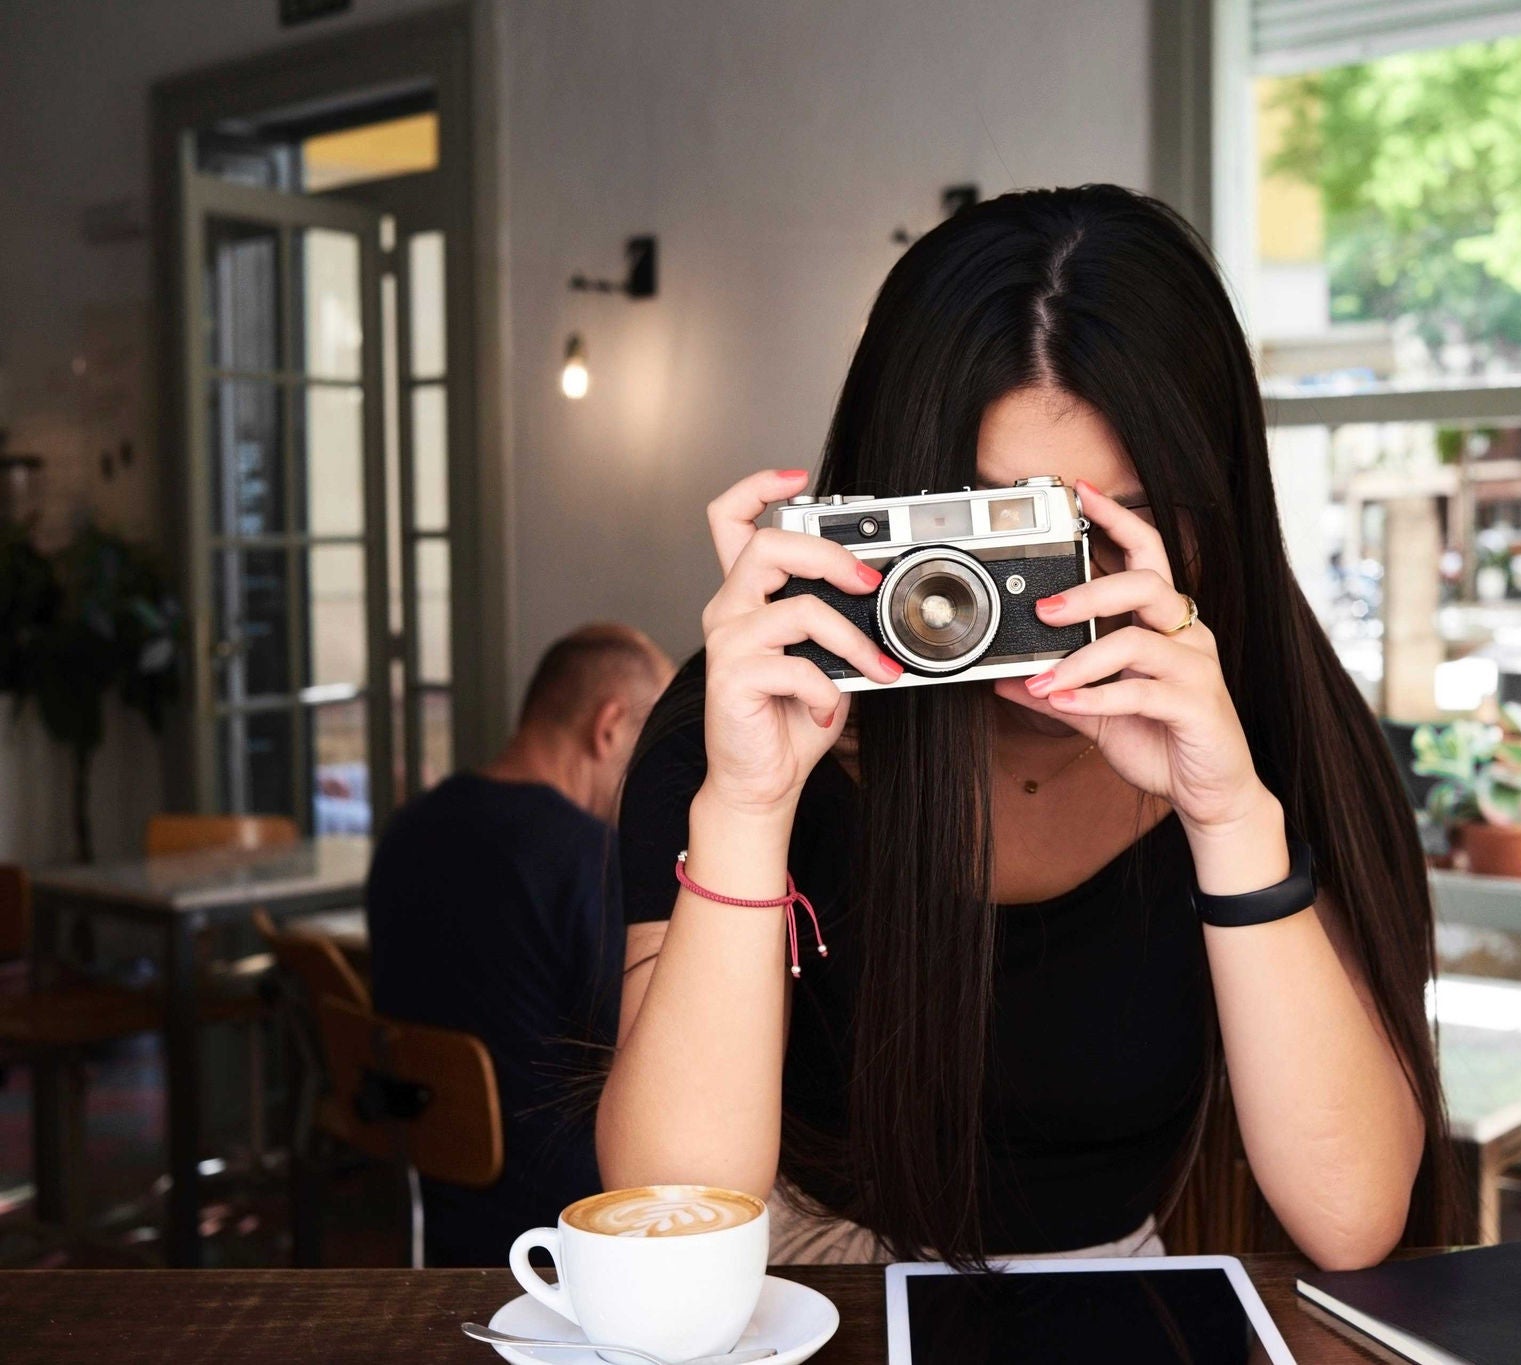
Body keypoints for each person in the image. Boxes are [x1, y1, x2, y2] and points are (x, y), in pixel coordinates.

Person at [601, 186, 1454, 1269]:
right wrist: (746, 809)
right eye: (993, 532)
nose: (1058, 596)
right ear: (889, 503)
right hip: (800, 1299)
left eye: (1123, 519)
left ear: (1218, 500)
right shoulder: (749, 717)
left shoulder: (1272, 720)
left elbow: (1352, 1214)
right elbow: (670, 1215)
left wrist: (1227, 813)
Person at [370, 622, 674, 1265]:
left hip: (429, 1188)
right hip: (559, 1211)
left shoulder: (408, 829)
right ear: (611, 727)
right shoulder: (584, 857)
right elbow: (647, 1048)